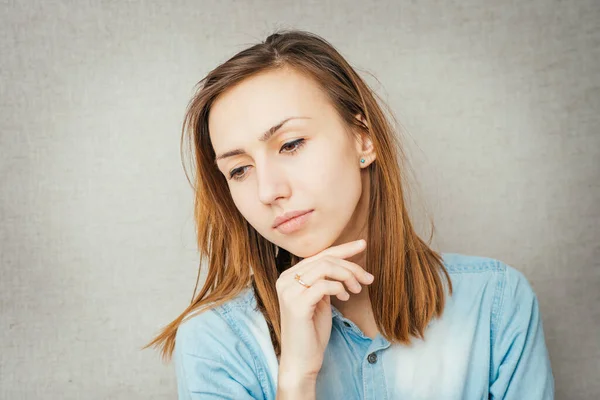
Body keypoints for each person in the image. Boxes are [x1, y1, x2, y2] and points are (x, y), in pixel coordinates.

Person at [143, 29, 555, 399]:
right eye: (239, 170)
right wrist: (297, 380)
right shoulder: (216, 342)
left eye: (291, 144)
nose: (268, 191)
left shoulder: (495, 302)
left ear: (363, 138)